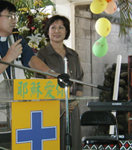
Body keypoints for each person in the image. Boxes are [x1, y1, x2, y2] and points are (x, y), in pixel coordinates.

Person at [0, 1, 53, 150]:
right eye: (10, 16)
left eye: (15, 16)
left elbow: (32, 60)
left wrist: (50, 73)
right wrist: (8, 58)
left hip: (18, 118)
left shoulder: (17, 40)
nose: (14, 20)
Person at [35, 15, 84, 150]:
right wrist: (59, 105)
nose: (57, 31)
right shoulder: (42, 54)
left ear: (66, 31)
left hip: (72, 108)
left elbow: (79, 79)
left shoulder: (73, 55)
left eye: (61, 27)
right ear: (48, 32)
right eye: (53, 28)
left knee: (73, 143)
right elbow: (39, 82)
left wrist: (76, 101)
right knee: (54, 143)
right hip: (52, 108)